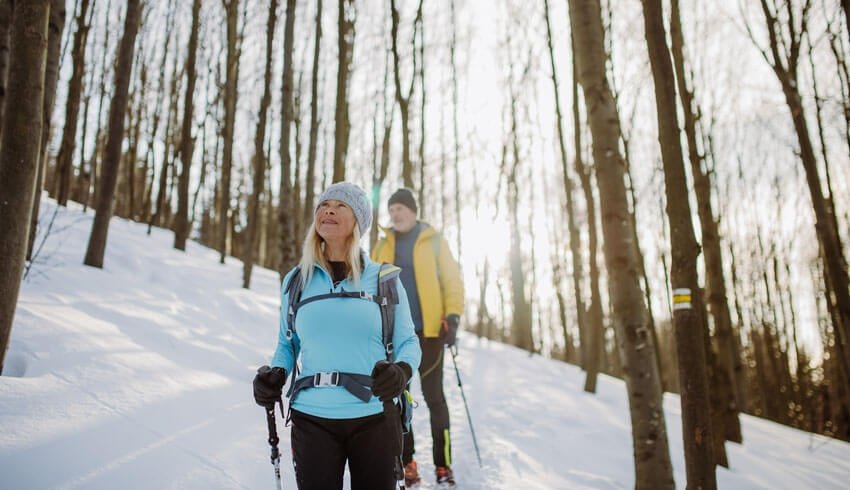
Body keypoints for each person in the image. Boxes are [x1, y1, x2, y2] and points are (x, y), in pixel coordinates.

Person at [253, 181, 422, 490]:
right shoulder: (296, 280)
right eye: (323, 205)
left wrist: (401, 371)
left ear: (358, 220)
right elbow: (287, 343)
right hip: (311, 417)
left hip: (374, 415)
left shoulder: (384, 279)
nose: (328, 209)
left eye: (340, 205)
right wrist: (276, 374)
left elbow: (408, 342)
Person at [371, 188, 465, 487]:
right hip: (395, 336)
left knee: (435, 399)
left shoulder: (434, 240)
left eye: (401, 208)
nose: (395, 214)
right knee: (399, 399)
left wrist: (453, 316)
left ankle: (443, 464)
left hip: (430, 333)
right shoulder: (382, 244)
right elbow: (370, 281)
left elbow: (451, 280)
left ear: (413, 211)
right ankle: (406, 461)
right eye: (392, 209)